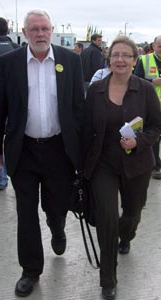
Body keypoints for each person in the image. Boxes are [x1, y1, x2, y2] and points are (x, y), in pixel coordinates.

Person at [0, 9, 84, 297]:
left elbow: (78, 107)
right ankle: (30, 270)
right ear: (25, 32)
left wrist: (84, 149)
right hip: (24, 149)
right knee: (26, 212)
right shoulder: (10, 63)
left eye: (44, 29)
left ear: (52, 30)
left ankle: (57, 228)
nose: (40, 34)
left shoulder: (70, 60)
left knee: (55, 206)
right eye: (34, 29)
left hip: (59, 150)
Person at [83, 36, 161, 300]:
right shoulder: (95, 90)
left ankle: (126, 234)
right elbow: (85, 128)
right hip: (103, 164)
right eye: (115, 54)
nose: (120, 60)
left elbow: (155, 127)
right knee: (106, 221)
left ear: (134, 60)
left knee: (130, 216)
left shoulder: (146, 90)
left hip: (136, 164)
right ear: (109, 58)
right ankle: (108, 280)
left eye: (126, 55)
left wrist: (138, 141)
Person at [0, 17, 20, 190]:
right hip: (17, 106)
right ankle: (16, 174)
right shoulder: (18, 49)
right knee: (13, 137)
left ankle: (1, 179)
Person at [135, 35, 161, 179]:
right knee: (154, 135)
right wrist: (153, 81)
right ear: (154, 46)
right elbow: (136, 80)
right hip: (151, 105)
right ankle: (155, 165)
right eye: (160, 46)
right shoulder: (144, 60)